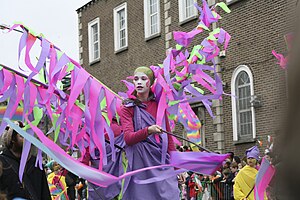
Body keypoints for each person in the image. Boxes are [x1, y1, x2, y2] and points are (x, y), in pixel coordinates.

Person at [121, 66, 179, 199]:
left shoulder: (159, 105)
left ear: (151, 83)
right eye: (136, 79)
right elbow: (128, 138)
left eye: (143, 79)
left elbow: (168, 139)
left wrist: (176, 167)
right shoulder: (128, 108)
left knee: (170, 194)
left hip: (160, 160)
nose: (139, 82)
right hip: (141, 163)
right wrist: (148, 131)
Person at [0, 121, 51, 200]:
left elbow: (44, 194)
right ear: (12, 139)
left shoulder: (36, 163)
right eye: (22, 136)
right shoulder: (2, 162)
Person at [82, 117, 125, 200]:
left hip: (97, 178)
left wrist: (83, 166)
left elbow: (86, 154)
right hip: (116, 178)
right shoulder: (120, 127)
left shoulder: (91, 128)